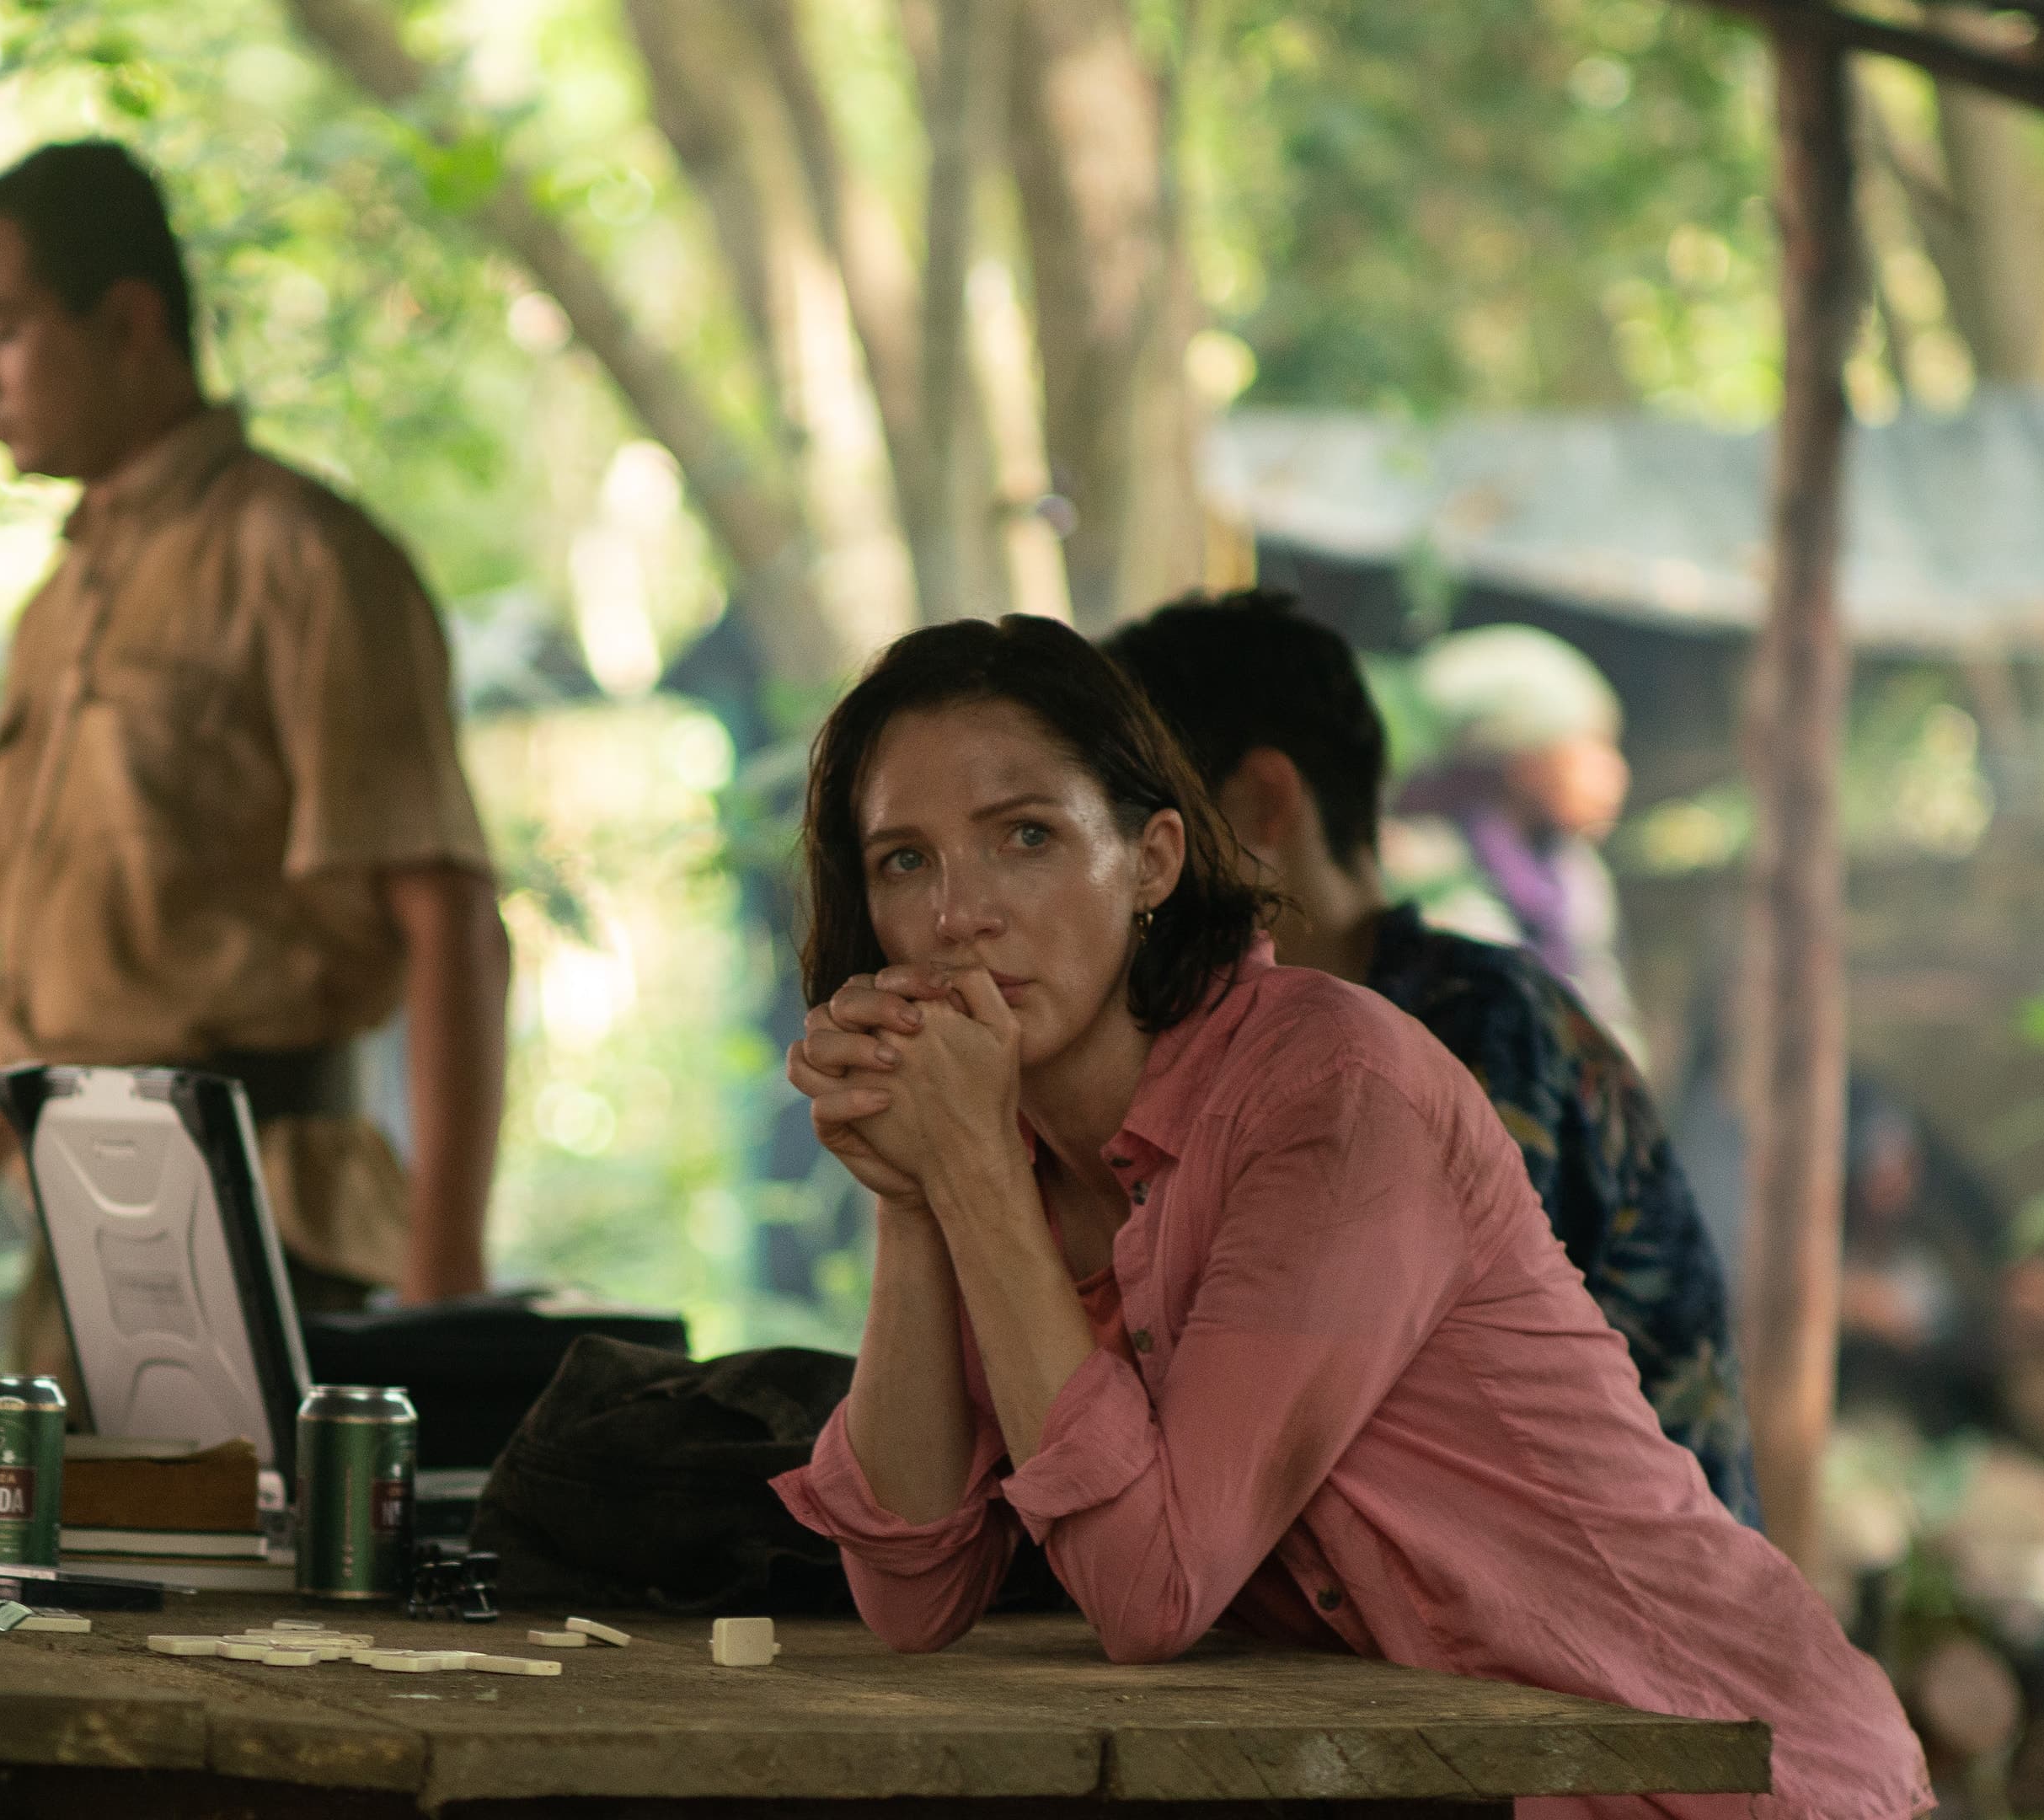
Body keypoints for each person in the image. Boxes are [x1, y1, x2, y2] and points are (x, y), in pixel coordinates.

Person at [771, 616, 1928, 1820]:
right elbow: (911, 1593)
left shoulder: (1334, 1093)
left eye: (1026, 836)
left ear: (1153, 860)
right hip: (1474, 1785)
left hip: (1721, 1776)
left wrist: (970, 1175)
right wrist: (917, 1190)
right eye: (904, 861)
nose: (958, 914)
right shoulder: (1010, 1158)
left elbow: (1148, 1590)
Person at [0, 142, 509, 1354]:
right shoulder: (57, 610)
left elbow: (449, 918)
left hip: (274, 1246)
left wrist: (444, 1299)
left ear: (129, 322)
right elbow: (20, 1014)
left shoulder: (305, 560)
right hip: (84, 1241)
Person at [1097, 591, 1755, 1521]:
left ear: (1260, 801)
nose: (1119, 880)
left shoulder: (1473, 1030)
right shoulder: (1286, 1033)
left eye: (1136, 830)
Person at [1388, 623, 1649, 1067]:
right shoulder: (1425, 865)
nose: (1614, 775)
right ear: (1522, 760)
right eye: (1590, 748)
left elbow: (1608, 1014)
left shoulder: (1577, 879)